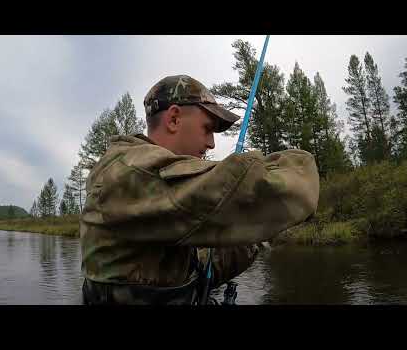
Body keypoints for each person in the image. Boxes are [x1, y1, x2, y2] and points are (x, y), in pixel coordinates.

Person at [80, 75, 320, 305]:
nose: (211, 143)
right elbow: (258, 189)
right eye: (207, 128)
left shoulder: (156, 198)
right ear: (173, 119)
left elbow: (199, 267)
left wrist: (254, 232)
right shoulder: (131, 171)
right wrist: (299, 169)